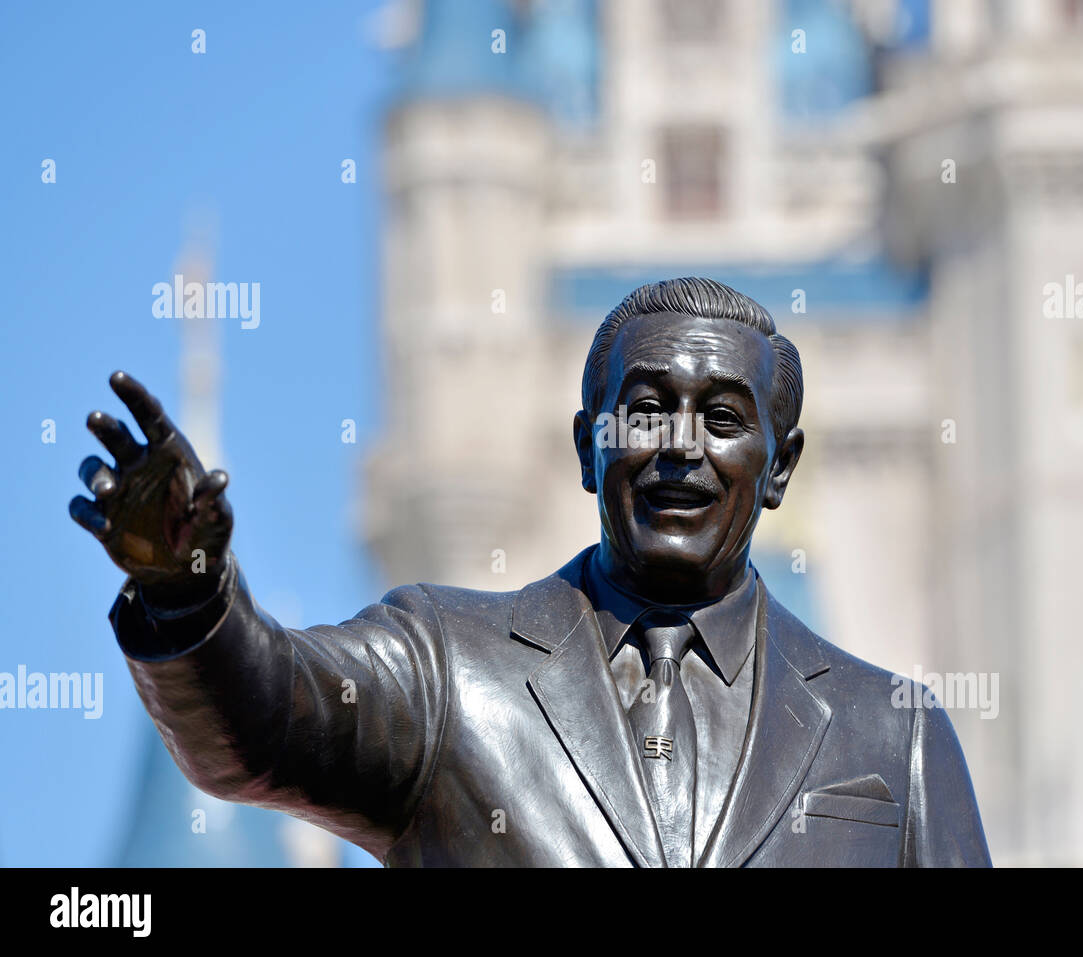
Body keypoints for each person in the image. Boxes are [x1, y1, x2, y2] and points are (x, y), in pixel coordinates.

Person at [70, 277, 992, 867]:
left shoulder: (891, 738)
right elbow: (261, 723)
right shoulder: (450, 673)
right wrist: (188, 589)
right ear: (588, 448)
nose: (678, 448)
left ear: (779, 466)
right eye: (643, 410)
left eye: (721, 417)